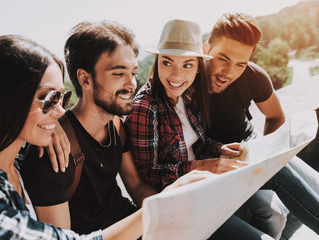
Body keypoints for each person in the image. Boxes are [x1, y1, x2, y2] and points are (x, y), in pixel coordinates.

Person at [0, 34, 210, 240]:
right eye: (49, 98)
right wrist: (162, 205)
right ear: (4, 101)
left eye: (61, 97)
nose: (59, 111)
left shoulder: (13, 159)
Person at [125, 18, 319, 239]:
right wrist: (203, 166)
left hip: (213, 172)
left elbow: (200, 142)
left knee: (285, 175)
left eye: (187, 64)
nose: (177, 75)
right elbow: (148, 173)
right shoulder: (145, 107)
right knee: (270, 214)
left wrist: (220, 150)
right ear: (157, 60)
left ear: (197, 64)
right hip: (187, 192)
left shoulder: (186, 94)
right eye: (167, 62)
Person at [20, 20, 212, 236]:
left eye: (132, 72)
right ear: (85, 79)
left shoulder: (117, 126)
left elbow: (136, 185)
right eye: (119, 73)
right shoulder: (51, 156)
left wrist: (170, 215)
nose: (131, 84)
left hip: (136, 225)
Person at [203, 12, 319, 239]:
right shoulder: (185, 77)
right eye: (223, 59)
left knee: (315, 183)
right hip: (214, 161)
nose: (229, 72)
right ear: (206, 49)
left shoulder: (253, 76)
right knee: (273, 209)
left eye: (240, 64)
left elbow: (275, 115)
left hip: (251, 144)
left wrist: (267, 150)